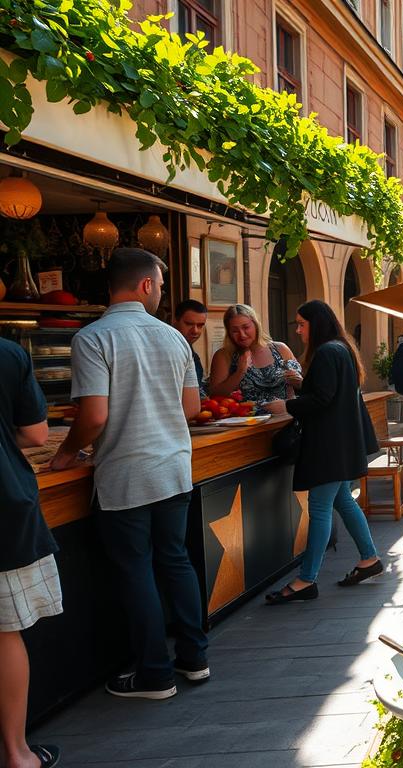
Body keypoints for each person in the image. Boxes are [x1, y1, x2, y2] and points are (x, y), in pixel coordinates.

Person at [51, 248, 209, 699]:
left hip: (126, 475)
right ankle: (195, 659)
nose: (161, 292)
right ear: (144, 285)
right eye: (159, 285)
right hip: (173, 468)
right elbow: (191, 408)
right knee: (175, 561)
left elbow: (94, 416)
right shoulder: (173, 338)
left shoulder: (93, 338)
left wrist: (67, 452)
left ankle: (155, 674)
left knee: (137, 569)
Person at [262, 300, 382, 603]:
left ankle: (306, 579)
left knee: (319, 509)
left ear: (316, 323)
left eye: (302, 324)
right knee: (343, 501)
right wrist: (303, 386)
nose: (299, 330)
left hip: (330, 447)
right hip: (341, 444)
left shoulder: (327, 351)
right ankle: (369, 559)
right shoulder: (340, 348)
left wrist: (285, 405)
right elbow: (330, 395)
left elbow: (324, 399)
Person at [0, 337, 61, 768]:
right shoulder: (7, 353)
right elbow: (37, 432)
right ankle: (17, 753)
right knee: (4, 632)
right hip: (3, 503)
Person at [208, 303, 301, 403]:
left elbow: (300, 386)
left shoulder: (280, 349)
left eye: (246, 327)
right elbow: (215, 394)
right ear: (229, 332)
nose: (242, 335)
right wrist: (240, 372)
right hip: (247, 417)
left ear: (256, 325)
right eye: (235, 331)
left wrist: (296, 381)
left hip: (284, 415)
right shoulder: (224, 356)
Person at [173, 299, 209, 398]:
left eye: (200, 325)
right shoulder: (170, 351)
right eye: (189, 324)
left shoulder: (192, 354)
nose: (195, 331)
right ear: (175, 321)